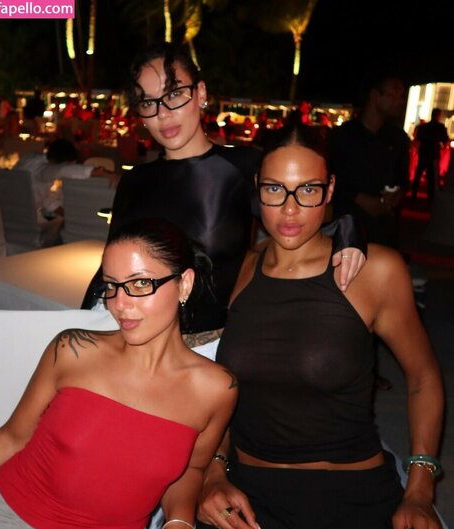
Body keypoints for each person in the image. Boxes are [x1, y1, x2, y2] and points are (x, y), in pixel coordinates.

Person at [196, 123, 445, 529]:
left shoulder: (375, 272)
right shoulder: (239, 272)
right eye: (275, 189)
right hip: (247, 495)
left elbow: (423, 377)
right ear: (257, 188)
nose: (290, 209)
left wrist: (420, 489)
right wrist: (213, 472)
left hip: (348, 493)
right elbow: (220, 389)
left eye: (307, 189)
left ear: (329, 190)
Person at [82, 41, 366, 353]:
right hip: (133, 342)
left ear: (201, 93)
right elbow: (109, 272)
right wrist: (85, 326)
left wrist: (350, 234)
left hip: (209, 349)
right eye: (148, 102)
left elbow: (310, 207)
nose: (163, 113)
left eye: (174, 94)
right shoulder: (134, 181)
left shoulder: (242, 167)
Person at [0, 217, 237, 529]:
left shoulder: (216, 389)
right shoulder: (73, 350)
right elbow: (12, 437)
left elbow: (191, 468)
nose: (119, 305)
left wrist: (179, 522)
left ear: (184, 284)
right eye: (111, 286)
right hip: (8, 516)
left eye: (140, 284)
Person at [329, 74, 410, 249]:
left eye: (402, 95)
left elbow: (403, 179)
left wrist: (396, 196)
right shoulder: (343, 136)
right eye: (395, 93)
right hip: (347, 226)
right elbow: (330, 175)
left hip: (385, 229)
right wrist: (359, 198)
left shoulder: (398, 138)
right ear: (375, 96)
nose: (401, 101)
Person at [15, 138, 119, 220]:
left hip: (13, 214)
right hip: (27, 218)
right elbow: (62, 170)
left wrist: (68, 215)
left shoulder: (29, 158)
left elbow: (42, 196)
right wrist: (101, 172)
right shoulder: (44, 170)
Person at [411, 108, 450, 202]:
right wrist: (442, 146)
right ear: (438, 116)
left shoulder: (424, 127)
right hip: (433, 154)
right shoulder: (440, 127)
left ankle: (414, 194)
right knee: (432, 177)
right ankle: (430, 197)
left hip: (424, 152)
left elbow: (418, 138)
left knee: (418, 174)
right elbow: (445, 140)